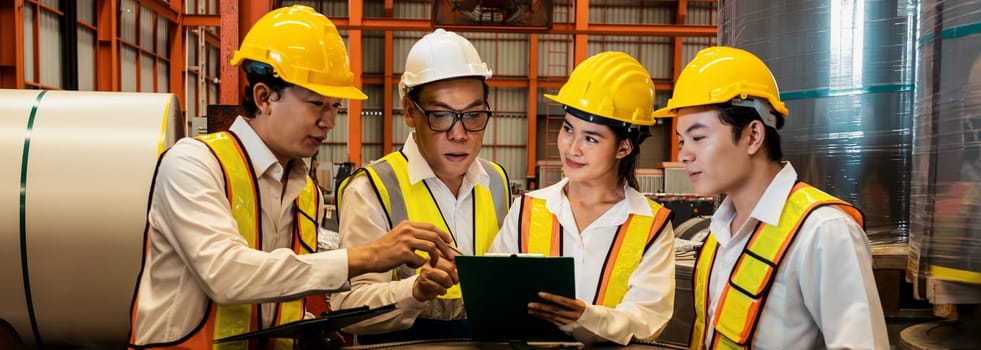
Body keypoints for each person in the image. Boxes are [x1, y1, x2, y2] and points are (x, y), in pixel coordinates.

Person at [128, 6, 457, 349]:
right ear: (264, 97)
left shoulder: (307, 192)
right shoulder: (194, 164)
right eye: (316, 104)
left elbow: (280, 290)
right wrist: (369, 256)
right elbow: (225, 275)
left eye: (335, 107)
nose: (329, 121)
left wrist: (309, 328)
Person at [653, 46, 888, 349]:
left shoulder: (823, 232)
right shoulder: (720, 235)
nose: (684, 154)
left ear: (753, 136)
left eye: (698, 138)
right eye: (682, 141)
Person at [330, 29, 512, 342]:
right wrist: (413, 291)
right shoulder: (373, 188)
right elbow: (347, 310)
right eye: (441, 115)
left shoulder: (496, 181)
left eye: (473, 114)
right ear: (410, 112)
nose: (459, 133)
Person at [488, 51, 675, 345]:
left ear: (624, 147)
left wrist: (583, 317)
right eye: (567, 129)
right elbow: (493, 297)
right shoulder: (526, 209)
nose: (572, 148)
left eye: (591, 138)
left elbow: (648, 319)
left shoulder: (651, 225)